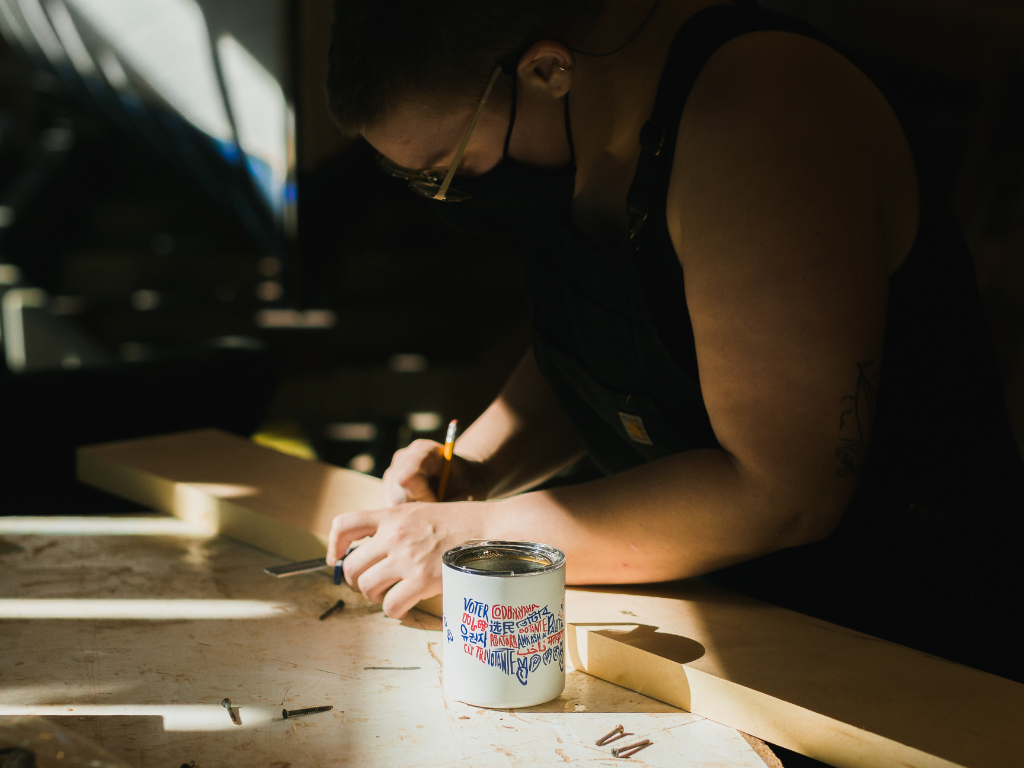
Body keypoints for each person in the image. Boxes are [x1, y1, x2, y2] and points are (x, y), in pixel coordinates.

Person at [323, 0, 1024, 681]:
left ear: (543, 70)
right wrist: (471, 469)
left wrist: (473, 536)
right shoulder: (587, 117)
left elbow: (779, 490)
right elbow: (611, 342)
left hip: (904, 648)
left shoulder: (755, 119)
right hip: (724, 611)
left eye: (447, 169)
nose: (449, 196)